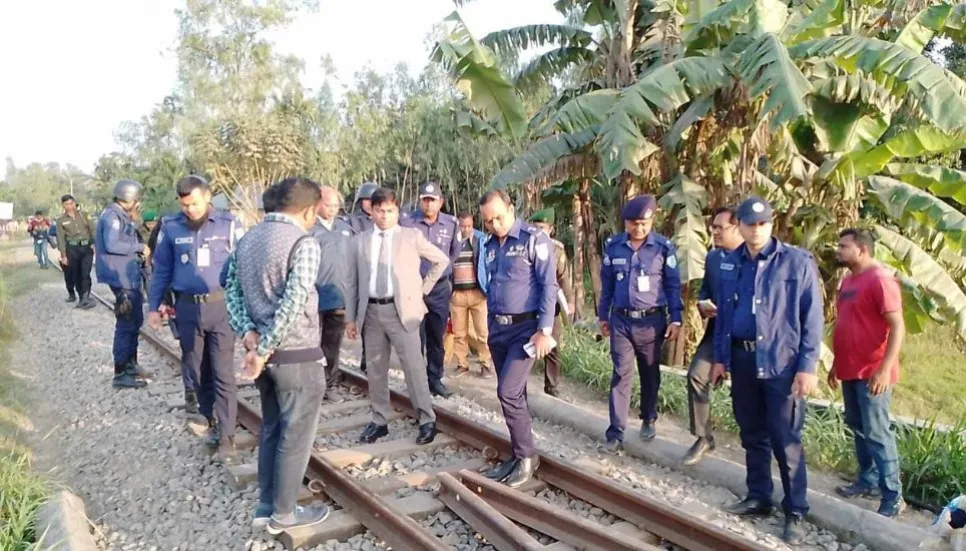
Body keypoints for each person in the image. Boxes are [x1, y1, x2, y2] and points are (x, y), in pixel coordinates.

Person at [711, 196, 823, 544]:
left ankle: (795, 511)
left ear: (772, 225)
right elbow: (724, 317)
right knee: (751, 433)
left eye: (763, 224)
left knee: (785, 438)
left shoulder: (796, 262)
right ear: (739, 226)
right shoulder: (730, 262)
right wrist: (719, 358)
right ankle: (759, 496)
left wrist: (808, 367)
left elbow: (812, 319)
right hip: (743, 360)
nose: (756, 230)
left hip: (782, 365)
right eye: (749, 223)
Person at [224, 177, 329, 533]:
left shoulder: (247, 239)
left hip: (265, 356)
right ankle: (285, 513)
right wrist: (265, 347)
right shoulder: (304, 242)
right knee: (295, 434)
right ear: (309, 210)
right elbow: (294, 301)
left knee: (271, 428)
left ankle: (265, 505)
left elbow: (231, 290)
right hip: (296, 354)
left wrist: (250, 336)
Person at [147, 175, 242, 462]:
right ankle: (210, 420)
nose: (191, 209)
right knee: (197, 370)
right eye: (185, 204)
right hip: (187, 310)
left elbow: (242, 266)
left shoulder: (229, 225)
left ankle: (227, 436)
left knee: (223, 372)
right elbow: (161, 269)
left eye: (196, 203)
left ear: (208, 197)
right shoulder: (171, 228)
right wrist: (154, 307)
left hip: (221, 307)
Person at [344, 187, 449, 446]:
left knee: (414, 368)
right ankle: (379, 420)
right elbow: (351, 281)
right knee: (376, 369)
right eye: (380, 210)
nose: (384, 215)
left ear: (397, 211)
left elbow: (441, 261)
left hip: (404, 313)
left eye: (390, 211)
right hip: (371, 312)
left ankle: (426, 419)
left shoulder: (411, 236)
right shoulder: (360, 241)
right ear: (372, 211)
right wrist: (350, 317)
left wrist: (421, 290)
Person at [479, 188, 558, 488]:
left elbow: (548, 286)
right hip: (498, 329)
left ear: (511, 210)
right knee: (516, 394)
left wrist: (545, 331)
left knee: (507, 392)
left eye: (499, 217)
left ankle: (527, 456)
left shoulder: (533, 239)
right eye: (488, 221)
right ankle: (517, 453)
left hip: (526, 330)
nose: (495, 225)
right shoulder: (488, 245)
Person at [829, 228, 905, 518]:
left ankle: (893, 496)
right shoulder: (849, 281)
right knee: (858, 425)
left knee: (877, 431)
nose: (838, 250)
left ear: (862, 249)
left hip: (873, 372)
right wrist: (837, 363)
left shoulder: (880, 280)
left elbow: (897, 326)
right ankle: (868, 480)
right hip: (850, 368)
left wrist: (884, 370)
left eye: (843, 246)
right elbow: (846, 323)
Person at [598, 195, 682, 453]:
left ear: (651, 221)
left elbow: (672, 285)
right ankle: (616, 432)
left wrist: (676, 318)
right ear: (626, 223)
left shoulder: (663, 248)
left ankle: (648, 418)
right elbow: (607, 285)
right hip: (621, 320)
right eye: (634, 224)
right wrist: (603, 316)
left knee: (649, 372)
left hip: (651, 322)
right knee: (621, 374)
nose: (639, 228)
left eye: (644, 223)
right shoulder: (613, 247)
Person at [682, 206, 743, 466]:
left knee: (746, 395)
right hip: (717, 332)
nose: (715, 232)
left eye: (720, 227)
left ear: (738, 227)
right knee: (696, 375)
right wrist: (703, 304)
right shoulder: (714, 258)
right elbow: (705, 291)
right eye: (713, 227)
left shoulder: (753, 259)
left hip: (745, 337)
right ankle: (703, 436)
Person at [402, 181, 460, 398]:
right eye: (425, 200)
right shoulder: (407, 222)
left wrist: (443, 276)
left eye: (432, 200)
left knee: (437, 336)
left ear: (440, 202)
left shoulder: (451, 224)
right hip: (414, 289)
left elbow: (453, 254)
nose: (428, 204)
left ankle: (435, 379)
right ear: (420, 201)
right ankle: (416, 382)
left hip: (439, 289)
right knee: (416, 338)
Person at [95, 180, 152, 389]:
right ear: (130, 199)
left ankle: (131, 364)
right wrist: (139, 247)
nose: (138, 203)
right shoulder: (112, 217)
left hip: (127, 275)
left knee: (135, 321)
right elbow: (112, 244)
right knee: (126, 325)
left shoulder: (120, 215)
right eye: (136, 200)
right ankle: (121, 373)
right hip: (121, 277)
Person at [528, 208, 575, 397]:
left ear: (551, 229)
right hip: (529, 304)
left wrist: (570, 301)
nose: (538, 231)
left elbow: (564, 277)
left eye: (542, 227)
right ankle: (519, 387)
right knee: (526, 345)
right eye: (535, 226)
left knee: (553, 346)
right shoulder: (526, 244)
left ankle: (552, 387)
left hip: (551, 305)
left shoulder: (557, 249)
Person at [311, 186, 354, 388]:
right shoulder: (309, 228)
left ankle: (330, 382)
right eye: (328, 205)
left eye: (336, 205)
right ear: (318, 204)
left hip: (338, 295)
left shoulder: (345, 228)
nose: (332, 209)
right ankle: (312, 383)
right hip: (313, 295)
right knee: (310, 343)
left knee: (333, 343)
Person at [450, 211, 492, 378]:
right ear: (458, 225)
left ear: (472, 224)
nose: (466, 229)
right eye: (463, 226)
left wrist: (487, 287)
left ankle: (486, 364)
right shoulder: (453, 242)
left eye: (469, 226)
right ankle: (462, 364)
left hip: (477, 293)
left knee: (483, 332)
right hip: (457, 294)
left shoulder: (481, 240)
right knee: (459, 333)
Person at [55, 194, 97, 309]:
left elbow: (92, 229)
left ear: (74, 203)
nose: (70, 206)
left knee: (85, 273)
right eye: (67, 204)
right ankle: (81, 296)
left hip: (86, 248)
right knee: (76, 274)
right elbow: (60, 239)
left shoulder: (84, 215)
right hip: (72, 249)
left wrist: (94, 243)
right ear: (63, 205)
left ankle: (86, 296)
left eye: (71, 203)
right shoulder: (61, 220)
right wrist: (63, 255)